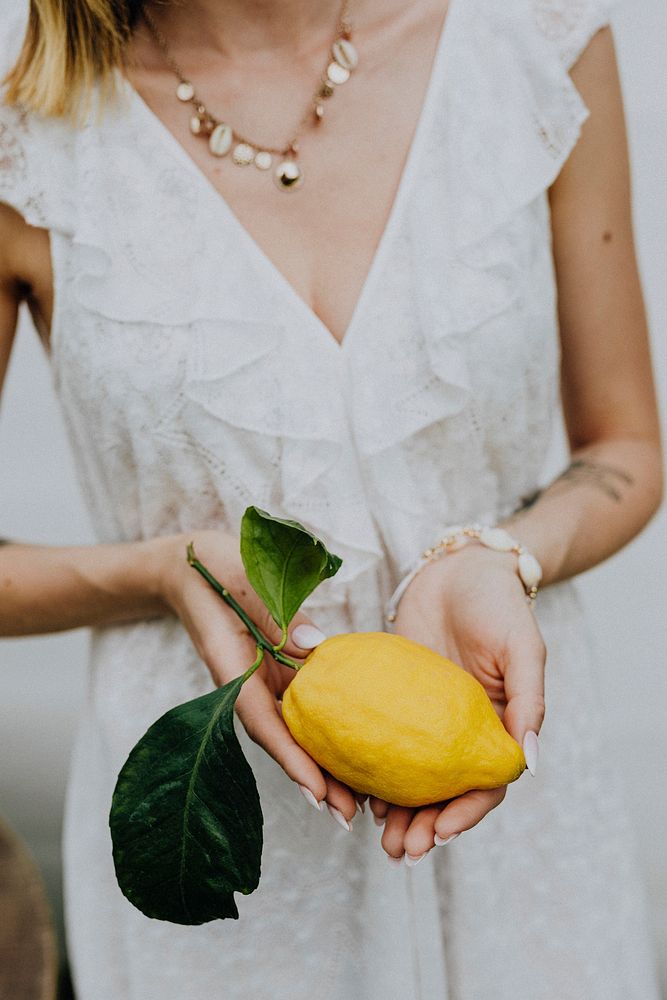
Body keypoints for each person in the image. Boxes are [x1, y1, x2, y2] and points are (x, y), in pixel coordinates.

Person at [0, 0, 662, 997]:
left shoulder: (533, 40)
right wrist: (165, 571)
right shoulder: (30, 149)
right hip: (228, 857)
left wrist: (504, 553)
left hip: (516, 804)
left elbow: (624, 446)